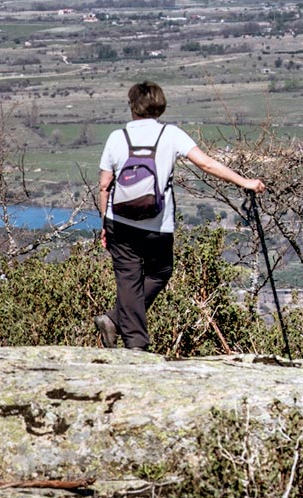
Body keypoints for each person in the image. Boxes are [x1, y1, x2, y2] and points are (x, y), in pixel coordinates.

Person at [95, 81, 265, 351]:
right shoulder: (171, 134)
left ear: (132, 107)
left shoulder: (117, 137)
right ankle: (130, 339)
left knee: (128, 279)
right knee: (160, 272)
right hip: (158, 224)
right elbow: (207, 164)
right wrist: (245, 182)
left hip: (120, 221)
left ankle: (122, 327)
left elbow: (104, 185)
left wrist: (105, 222)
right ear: (160, 106)